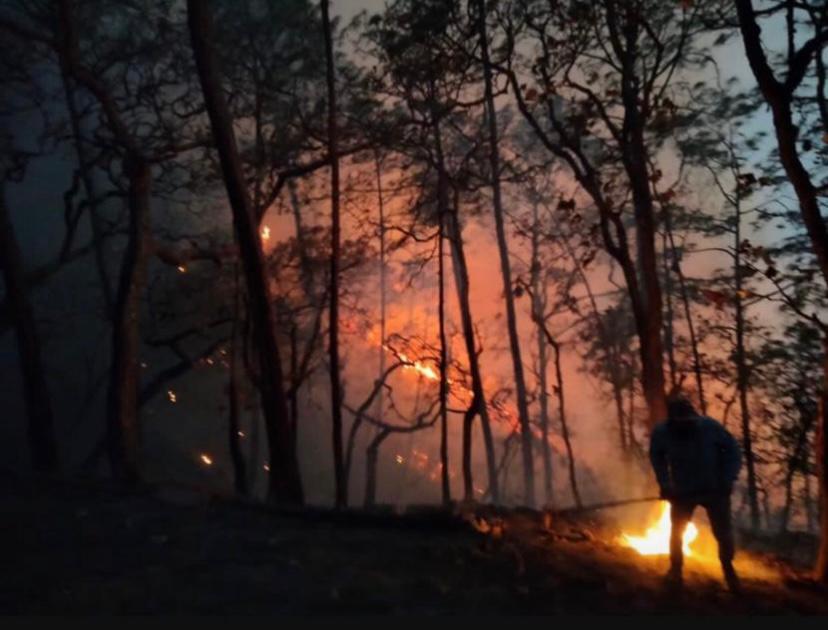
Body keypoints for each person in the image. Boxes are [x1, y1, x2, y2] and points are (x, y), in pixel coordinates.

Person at [649, 395, 742, 592]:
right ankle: (675, 570)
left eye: (689, 420)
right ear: (672, 420)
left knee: (723, 533)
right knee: (677, 532)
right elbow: (657, 457)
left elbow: (733, 451)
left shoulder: (709, 427)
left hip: (714, 490)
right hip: (683, 491)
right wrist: (665, 484)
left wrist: (727, 479)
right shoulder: (663, 432)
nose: (686, 425)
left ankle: (728, 569)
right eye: (681, 422)